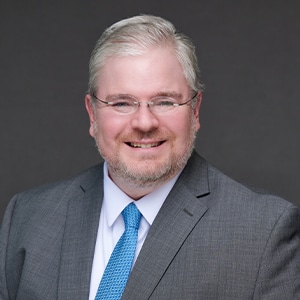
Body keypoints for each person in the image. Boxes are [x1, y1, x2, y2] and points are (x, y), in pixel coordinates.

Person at [0, 15, 299, 300]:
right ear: (92, 114)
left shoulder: (264, 235)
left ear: (195, 111)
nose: (144, 123)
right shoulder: (27, 219)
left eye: (165, 101)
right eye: (121, 103)